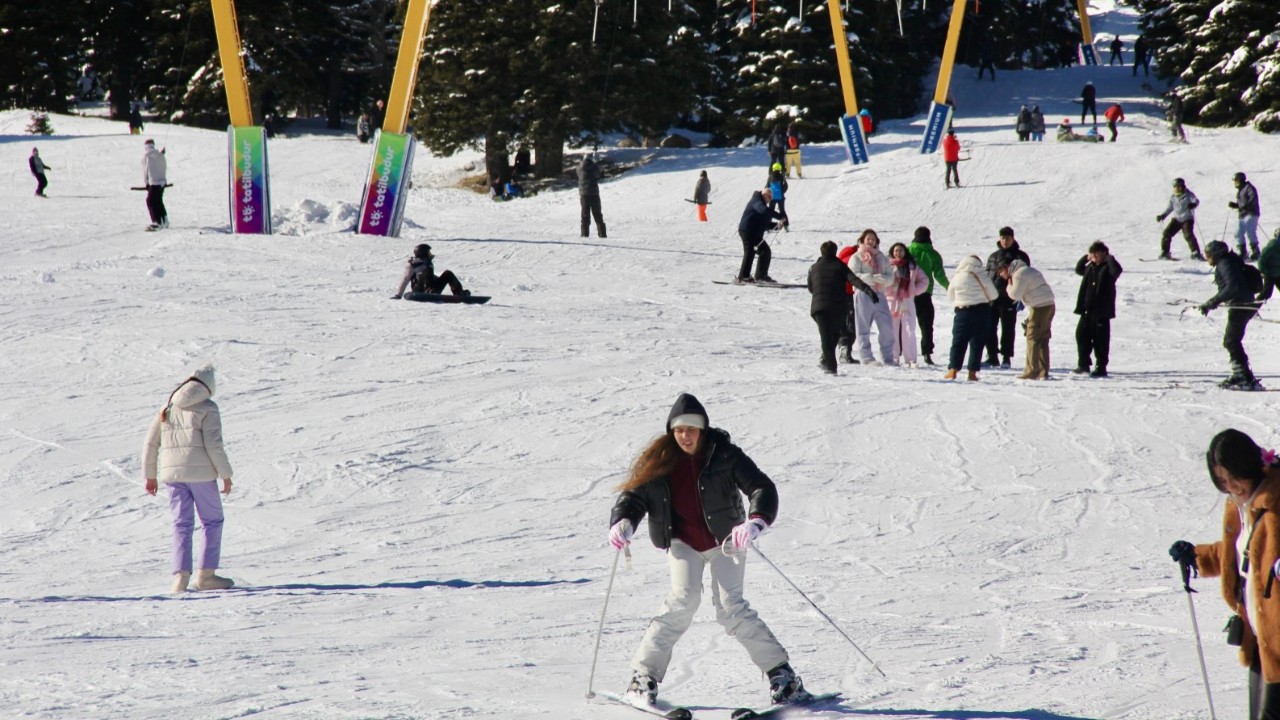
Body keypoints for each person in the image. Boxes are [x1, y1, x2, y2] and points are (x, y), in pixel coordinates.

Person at [608, 393, 808, 707]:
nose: (685, 436)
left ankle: (783, 677)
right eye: (679, 430)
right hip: (682, 541)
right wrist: (622, 523)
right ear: (671, 431)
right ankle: (642, 677)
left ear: (702, 429)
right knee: (682, 600)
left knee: (731, 608)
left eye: (691, 429)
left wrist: (754, 523)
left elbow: (761, 487)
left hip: (727, 541)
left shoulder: (724, 455)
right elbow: (633, 498)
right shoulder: (660, 460)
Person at [1168, 429, 1280, 720]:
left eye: (1235, 477)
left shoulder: (1276, 503)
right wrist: (1197, 556)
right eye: (1222, 481)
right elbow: (1246, 555)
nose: (1232, 487)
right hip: (1262, 638)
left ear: (1251, 466)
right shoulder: (1243, 505)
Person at [142, 363, 235, 593]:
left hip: (172, 476)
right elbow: (214, 445)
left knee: (181, 524)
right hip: (201, 475)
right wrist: (226, 474)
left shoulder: (168, 407)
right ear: (208, 388)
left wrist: (150, 476)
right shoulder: (208, 408)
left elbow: (151, 443)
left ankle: (180, 579)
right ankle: (206, 576)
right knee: (212, 522)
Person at [1199, 241, 1262, 389]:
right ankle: (1244, 375)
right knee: (1232, 340)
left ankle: (1242, 377)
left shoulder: (1224, 263)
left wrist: (1213, 301)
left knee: (1231, 341)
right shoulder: (1228, 262)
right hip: (1243, 304)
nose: (1207, 257)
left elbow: (1232, 287)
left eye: (1208, 255)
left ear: (1216, 253)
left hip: (1241, 305)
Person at [808, 241, 874, 375]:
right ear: (835, 251)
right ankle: (831, 367)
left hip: (819, 308)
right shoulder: (840, 266)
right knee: (834, 335)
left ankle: (826, 361)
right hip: (838, 307)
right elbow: (854, 280)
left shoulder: (814, 267)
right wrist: (868, 290)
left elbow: (811, 287)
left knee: (827, 336)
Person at [1072, 241, 1123, 378]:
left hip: (1101, 312)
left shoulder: (1108, 268)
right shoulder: (1091, 267)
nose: (1094, 255)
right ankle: (1083, 364)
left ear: (1104, 254)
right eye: (1092, 253)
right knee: (1081, 336)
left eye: (1097, 253)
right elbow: (1078, 269)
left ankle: (1101, 366)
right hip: (1087, 310)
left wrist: (1109, 258)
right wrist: (1085, 258)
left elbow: (1117, 271)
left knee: (1100, 340)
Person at [984, 227, 1031, 369]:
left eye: (1008, 238)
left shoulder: (1020, 256)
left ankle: (1006, 357)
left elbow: (1025, 276)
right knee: (989, 327)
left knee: (1008, 328)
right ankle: (992, 356)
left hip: (1010, 297)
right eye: (1003, 238)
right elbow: (987, 276)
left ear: (1013, 238)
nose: (1005, 241)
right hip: (992, 297)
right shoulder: (993, 256)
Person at [1001, 259, 1055, 380]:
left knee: (1032, 339)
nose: (1001, 274)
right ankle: (1043, 371)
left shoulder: (1019, 274)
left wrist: (1008, 283)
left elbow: (1014, 295)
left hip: (1039, 307)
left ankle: (1032, 371)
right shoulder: (1029, 270)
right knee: (1042, 339)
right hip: (1049, 305)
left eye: (1002, 270)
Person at [945, 255, 997, 381]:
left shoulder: (957, 276)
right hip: (981, 312)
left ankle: (953, 369)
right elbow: (994, 294)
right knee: (977, 343)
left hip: (962, 312)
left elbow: (950, 295)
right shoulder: (982, 275)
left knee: (958, 341)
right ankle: (972, 372)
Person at [849, 229, 896, 365]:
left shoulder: (881, 257)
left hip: (879, 293)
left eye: (873, 239)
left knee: (887, 326)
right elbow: (853, 276)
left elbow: (890, 277)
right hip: (863, 293)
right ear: (863, 240)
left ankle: (888, 357)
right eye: (868, 238)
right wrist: (871, 278)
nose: (871, 241)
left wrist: (880, 280)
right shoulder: (856, 257)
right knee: (863, 326)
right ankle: (866, 357)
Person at [908, 226, 949, 366]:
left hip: (907, 292)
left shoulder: (908, 250)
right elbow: (939, 274)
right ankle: (927, 354)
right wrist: (949, 286)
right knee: (926, 325)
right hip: (925, 293)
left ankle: (901, 352)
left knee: (904, 324)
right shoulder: (933, 254)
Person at [885, 243, 929, 367]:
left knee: (909, 328)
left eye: (901, 250)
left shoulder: (912, 267)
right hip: (891, 300)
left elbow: (925, 281)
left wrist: (914, 290)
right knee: (892, 329)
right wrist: (888, 288)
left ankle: (911, 359)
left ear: (905, 252)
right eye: (896, 250)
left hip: (907, 300)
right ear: (892, 252)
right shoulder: (887, 266)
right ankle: (894, 357)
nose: (898, 253)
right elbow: (881, 281)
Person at [736, 187, 786, 283]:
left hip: (753, 232)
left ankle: (756, 276)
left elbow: (764, 223)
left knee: (763, 251)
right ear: (764, 195)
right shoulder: (757, 201)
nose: (770, 200)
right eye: (769, 197)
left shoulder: (760, 203)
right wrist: (779, 216)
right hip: (748, 231)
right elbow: (764, 211)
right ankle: (747, 277)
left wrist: (776, 226)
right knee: (752, 251)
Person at [1157, 177, 1204, 261]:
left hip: (1187, 219)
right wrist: (1162, 216)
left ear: (1182, 186)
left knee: (1188, 235)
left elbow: (1196, 201)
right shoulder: (1173, 197)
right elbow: (1169, 208)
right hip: (1176, 219)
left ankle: (1196, 252)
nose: (1176, 189)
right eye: (1175, 187)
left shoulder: (1188, 194)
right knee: (1166, 233)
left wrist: (1193, 205)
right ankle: (1165, 252)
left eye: (1178, 186)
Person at [1230, 172, 1262, 261]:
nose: (1235, 183)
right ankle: (1243, 252)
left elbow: (1252, 199)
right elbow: (1242, 204)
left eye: (1236, 180)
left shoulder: (1249, 188)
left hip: (1251, 213)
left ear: (1240, 180)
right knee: (1238, 232)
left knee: (1250, 231)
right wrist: (1235, 205)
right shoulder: (1241, 190)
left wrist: (1243, 206)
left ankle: (1256, 251)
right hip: (1243, 215)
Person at [578, 153, 607, 238]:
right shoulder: (594, 167)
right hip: (594, 194)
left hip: (583, 195)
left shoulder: (578, 168)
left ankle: (584, 234)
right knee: (597, 214)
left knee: (585, 215)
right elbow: (598, 175)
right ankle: (602, 234)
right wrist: (600, 170)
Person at [142, 138, 169, 231]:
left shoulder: (146, 156)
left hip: (154, 182)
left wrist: (146, 183)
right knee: (158, 201)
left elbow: (145, 171)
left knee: (150, 201)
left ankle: (157, 222)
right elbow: (165, 167)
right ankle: (164, 220)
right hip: (162, 182)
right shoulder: (161, 155)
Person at [1260, 229, 1280, 302]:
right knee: (1267, 293)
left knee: (1267, 293)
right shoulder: (1272, 246)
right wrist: (1262, 270)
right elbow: (1262, 259)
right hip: (1270, 273)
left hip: (1278, 274)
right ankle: (1253, 308)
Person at [767, 163, 789, 229]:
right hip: (780, 197)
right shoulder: (781, 176)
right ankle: (786, 225)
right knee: (782, 211)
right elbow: (785, 186)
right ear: (779, 168)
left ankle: (768, 225)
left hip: (772, 197)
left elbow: (767, 186)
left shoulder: (770, 176)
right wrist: (782, 192)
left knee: (770, 211)